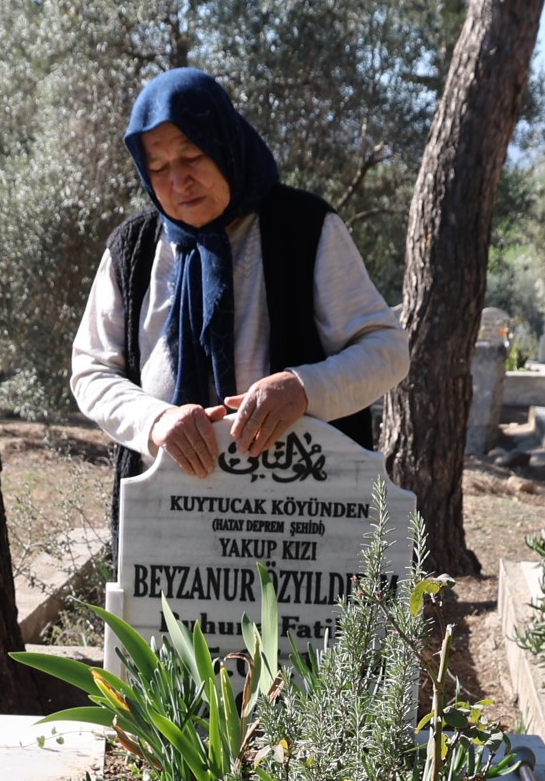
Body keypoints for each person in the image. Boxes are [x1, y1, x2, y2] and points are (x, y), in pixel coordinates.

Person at [70, 67, 405, 499]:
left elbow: (386, 350)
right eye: (158, 166)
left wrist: (304, 389)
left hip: (300, 514)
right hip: (166, 516)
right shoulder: (133, 249)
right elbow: (92, 370)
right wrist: (155, 420)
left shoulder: (304, 229)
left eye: (192, 156)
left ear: (224, 144)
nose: (178, 181)